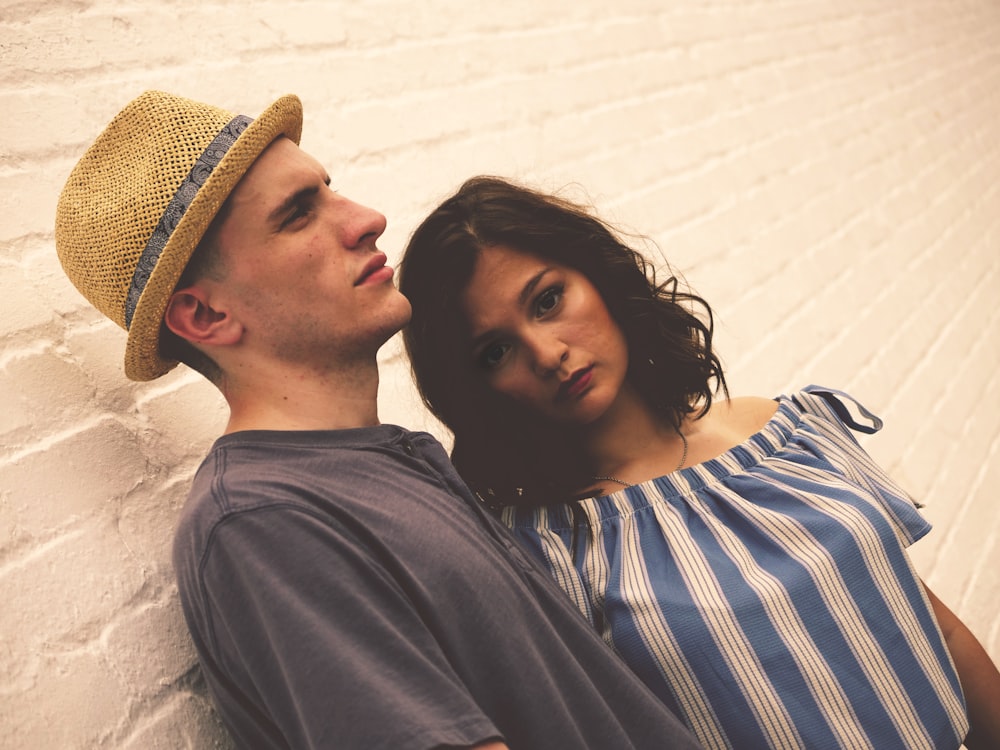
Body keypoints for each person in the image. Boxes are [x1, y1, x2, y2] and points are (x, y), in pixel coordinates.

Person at [54, 93, 705, 750]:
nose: (367, 219)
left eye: (329, 191)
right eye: (297, 215)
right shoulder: (264, 521)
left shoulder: (390, 462)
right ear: (205, 318)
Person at [398, 175, 1000, 750]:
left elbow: (933, 627)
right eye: (495, 350)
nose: (548, 352)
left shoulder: (789, 429)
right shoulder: (544, 555)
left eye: (549, 299)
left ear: (599, 276)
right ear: (476, 389)